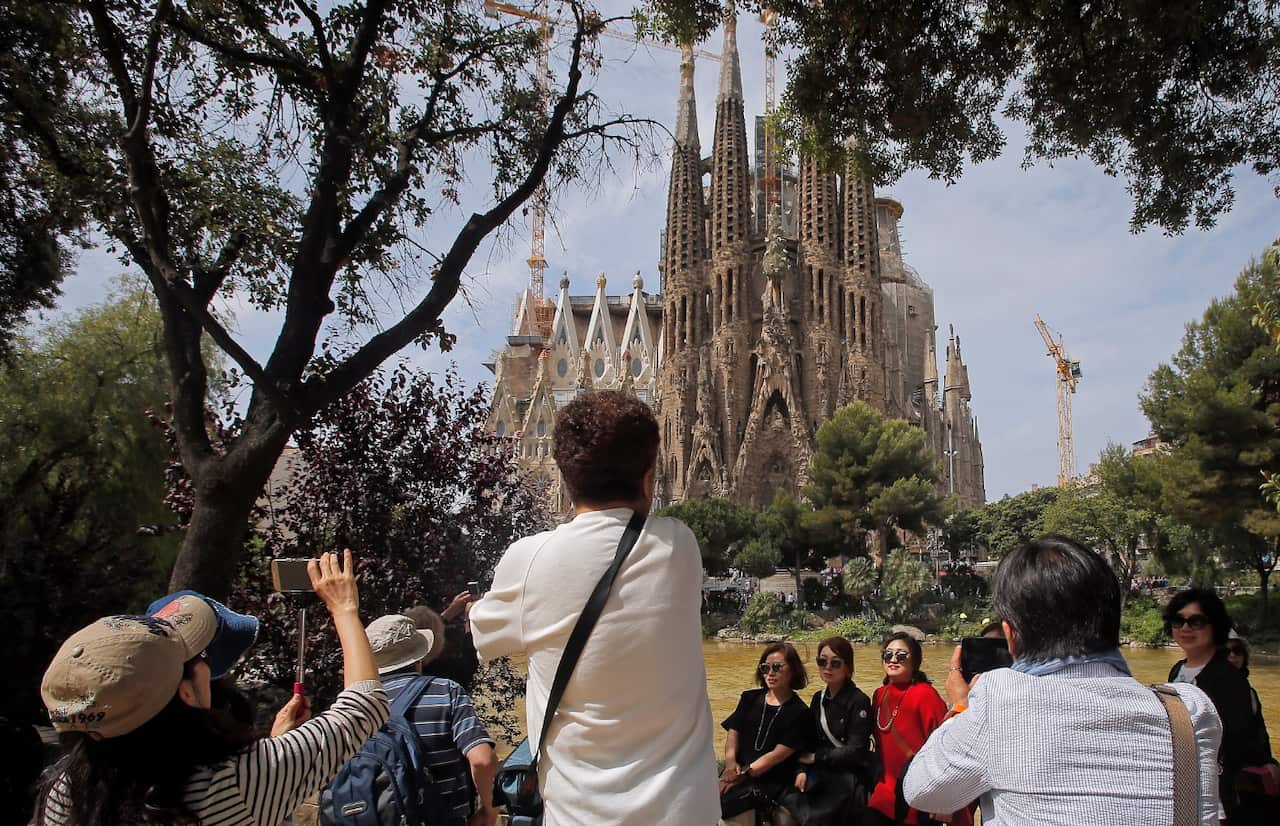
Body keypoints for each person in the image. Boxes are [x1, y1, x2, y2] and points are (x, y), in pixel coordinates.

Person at [469, 390, 719, 826]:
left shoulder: (529, 560)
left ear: (566, 480)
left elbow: (480, 638)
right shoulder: (680, 546)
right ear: (648, 479)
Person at [37, 551, 389, 826]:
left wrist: (274, 745)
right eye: (196, 658)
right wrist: (344, 608)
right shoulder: (234, 784)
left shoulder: (64, 792)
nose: (207, 666)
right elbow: (364, 707)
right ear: (186, 694)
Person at [902, 536, 1223, 826]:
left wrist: (961, 705)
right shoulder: (1189, 710)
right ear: (1112, 622)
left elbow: (923, 791)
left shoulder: (999, 696)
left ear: (1011, 636)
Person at [366, 612, 499, 826]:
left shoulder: (355, 705)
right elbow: (482, 760)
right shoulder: (446, 692)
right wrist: (489, 811)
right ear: (420, 656)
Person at [1166, 588, 1273, 824]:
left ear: (1215, 625)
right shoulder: (1177, 670)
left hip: (1217, 791)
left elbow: (1237, 736)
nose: (1185, 628)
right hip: (1182, 780)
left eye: (1196, 621)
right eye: (1178, 620)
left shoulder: (1229, 678)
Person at [867, 632, 970, 826]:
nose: (893, 659)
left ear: (915, 661)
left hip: (919, 794)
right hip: (884, 792)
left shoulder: (926, 695)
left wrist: (945, 800)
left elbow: (947, 746)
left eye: (901, 655)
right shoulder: (880, 694)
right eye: (888, 654)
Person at [781, 636, 875, 825]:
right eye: (822, 661)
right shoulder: (818, 698)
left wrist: (817, 757)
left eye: (835, 663)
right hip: (821, 774)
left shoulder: (859, 701)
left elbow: (856, 751)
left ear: (848, 666)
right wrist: (802, 770)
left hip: (848, 776)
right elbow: (809, 741)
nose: (828, 667)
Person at [720, 643, 814, 826]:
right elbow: (734, 731)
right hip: (738, 771)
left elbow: (777, 756)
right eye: (765, 667)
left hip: (770, 780)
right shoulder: (749, 698)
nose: (770, 672)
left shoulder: (800, 713)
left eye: (777, 667)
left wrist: (741, 775)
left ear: (793, 671)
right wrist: (730, 764)